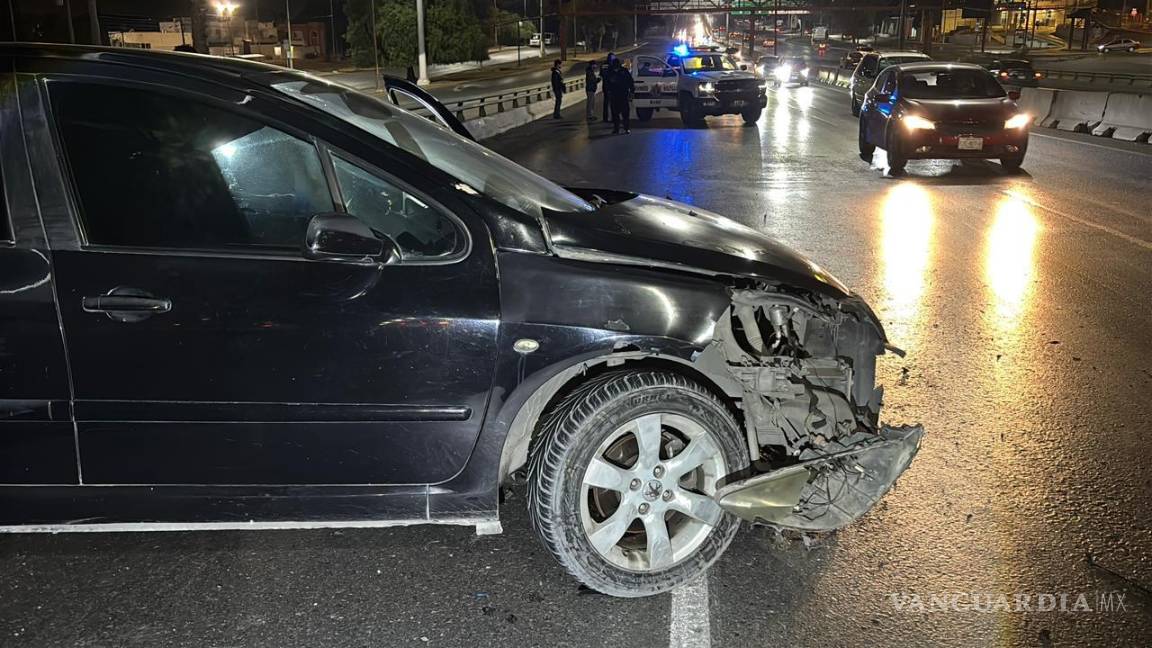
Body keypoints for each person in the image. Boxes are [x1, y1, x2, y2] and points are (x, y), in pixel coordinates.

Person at [603, 59, 634, 134]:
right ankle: (616, 129)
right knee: (615, 113)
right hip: (614, 95)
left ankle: (626, 128)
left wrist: (632, 91)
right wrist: (607, 92)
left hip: (623, 94)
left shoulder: (624, 71)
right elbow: (606, 83)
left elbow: (630, 81)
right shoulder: (609, 72)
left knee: (625, 113)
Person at [602, 52, 617, 122]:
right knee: (610, 103)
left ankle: (608, 117)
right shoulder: (608, 65)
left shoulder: (607, 64)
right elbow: (605, 74)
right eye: (613, 57)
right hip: (609, 86)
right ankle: (610, 118)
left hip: (607, 86)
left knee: (609, 103)